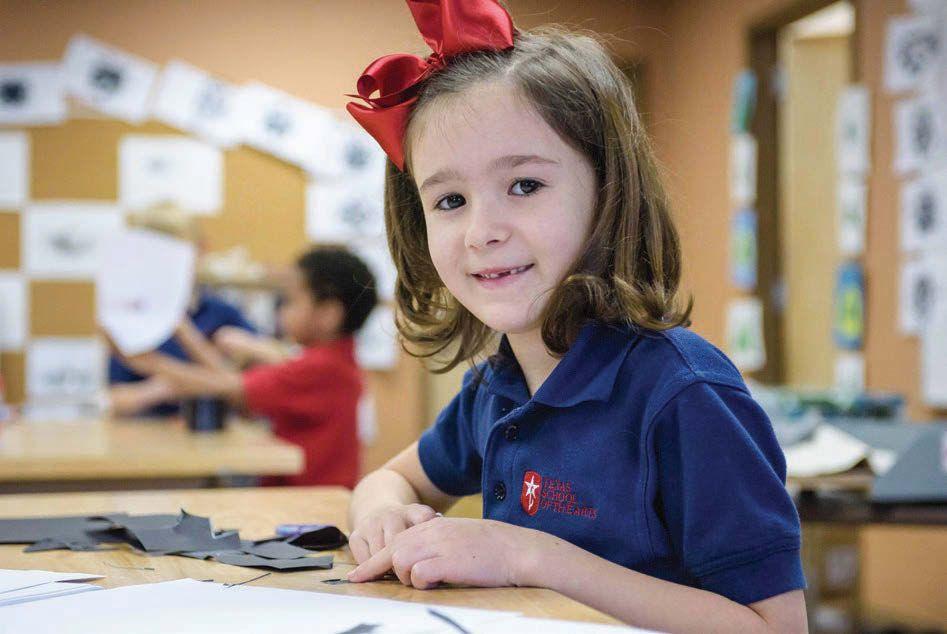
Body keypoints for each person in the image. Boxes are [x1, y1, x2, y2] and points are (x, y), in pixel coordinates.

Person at [343, 1, 808, 631]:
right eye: (450, 200)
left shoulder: (685, 395)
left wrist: (531, 557)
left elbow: (776, 626)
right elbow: (390, 479)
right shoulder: (495, 387)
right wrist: (383, 515)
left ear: (608, 193)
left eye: (525, 186)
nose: (482, 231)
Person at [122, 246, 377, 488]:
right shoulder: (331, 362)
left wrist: (151, 363)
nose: (281, 311)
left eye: (289, 300)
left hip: (308, 504)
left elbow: (228, 387)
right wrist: (181, 333)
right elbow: (233, 385)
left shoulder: (321, 368)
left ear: (328, 314)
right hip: (300, 494)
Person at [108, 203, 258, 417]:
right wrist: (161, 389)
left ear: (201, 250)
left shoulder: (224, 315)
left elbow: (249, 396)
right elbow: (108, 399)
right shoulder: (127, 319)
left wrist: (183, 332)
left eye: (174, 255)